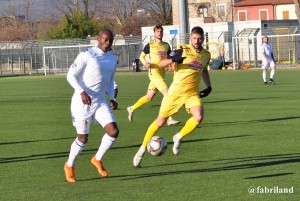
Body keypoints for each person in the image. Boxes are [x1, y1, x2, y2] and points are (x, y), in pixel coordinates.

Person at [133, 26, 212, 167]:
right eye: (194, 38)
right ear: (191, 38)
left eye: (200, 38)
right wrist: (172, 59)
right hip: (175, 92)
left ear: (203, 38)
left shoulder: (206, 54)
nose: (197, 41)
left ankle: (178, 137)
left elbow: (204, 70)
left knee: (199, 116)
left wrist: (209, 86)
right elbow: (162, 63)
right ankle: (142, 150)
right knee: (160, 122)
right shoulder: (182, 49)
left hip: (191, 93)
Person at [64, 29, 119, 183]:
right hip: (82, 102)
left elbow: (110, 80)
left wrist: (113, 98)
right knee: (82, 139)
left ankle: (97, 159)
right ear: (98, 39)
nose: (108, 43)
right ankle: (69, 166)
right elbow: (70, 75)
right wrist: (81, 91)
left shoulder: (113, 58)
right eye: (105, 40)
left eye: (110, 40)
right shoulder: (87, 55)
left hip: (100, 100)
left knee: (113, 131)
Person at [127, 25, 180, 126]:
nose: (159, 33)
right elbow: (141, 56)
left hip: (162, 73)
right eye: (158, 31)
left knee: (149, 97)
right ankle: (169, 118)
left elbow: (169, 57)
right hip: (154, 73)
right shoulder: (150, 45)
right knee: (167, 94)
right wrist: (145, 63)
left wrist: (171, 64)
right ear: (154, 33)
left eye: (161, 31)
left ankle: (131, 108)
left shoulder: (166, 45)